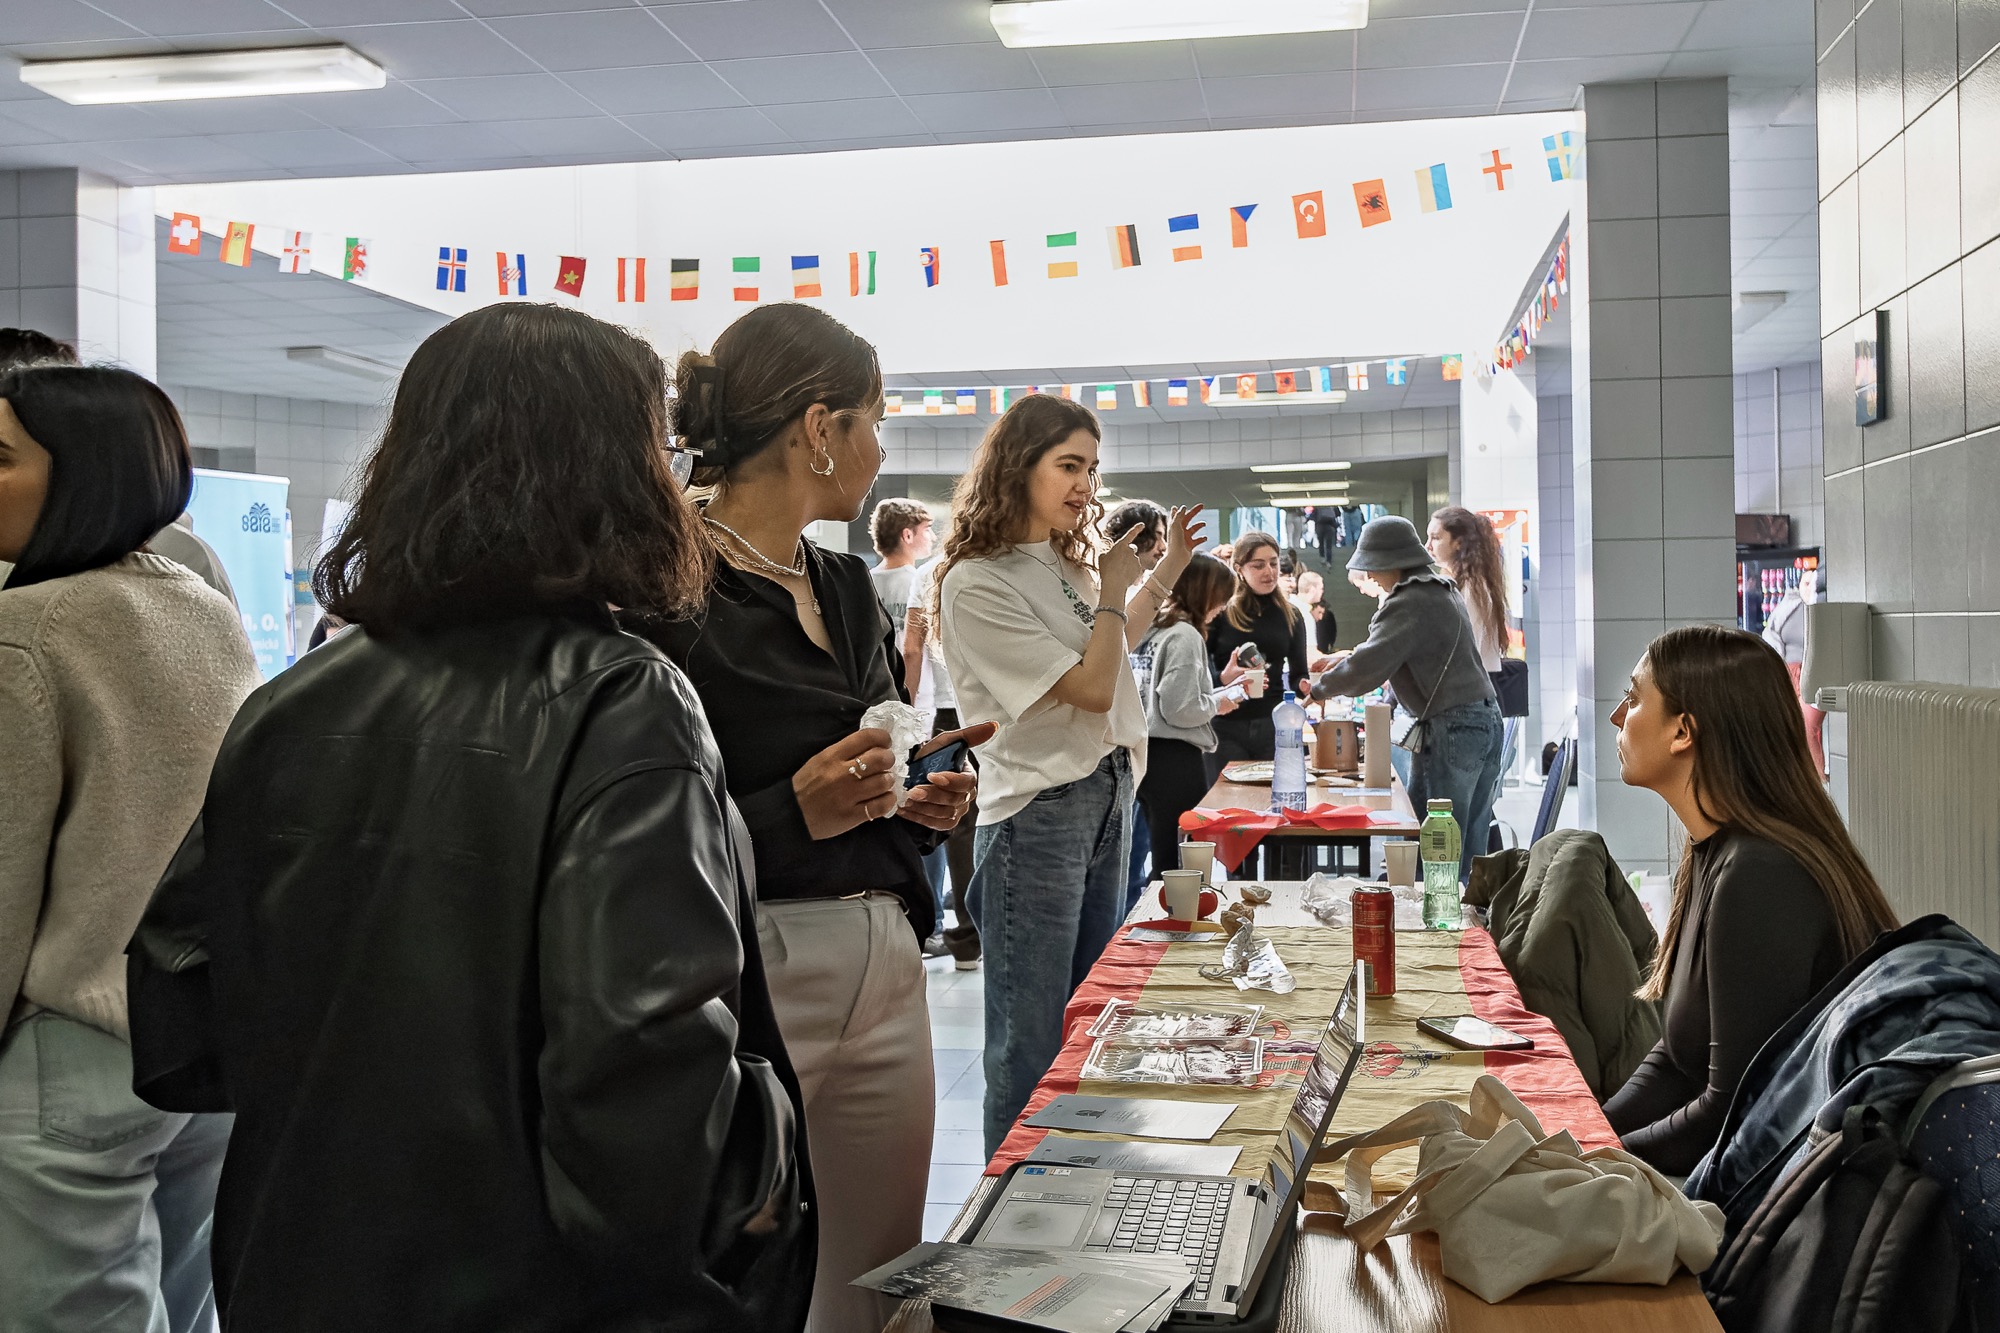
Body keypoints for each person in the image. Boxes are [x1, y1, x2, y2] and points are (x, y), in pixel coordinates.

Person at [124, 304, 813, 1331]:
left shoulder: (293, 701)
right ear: (614, 474)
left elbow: (180, 1010)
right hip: (534, 1281)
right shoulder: (622, 700)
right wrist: (763, 1158)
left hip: (297, 1258)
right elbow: (639, 1078)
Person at [626, 302, 984, 1333]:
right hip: (746, 958)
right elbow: (640, 824)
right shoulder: (666, 583)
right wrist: (792, 812)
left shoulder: (841, 579)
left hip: (882, 946)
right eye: (874, 420)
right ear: (818, 427)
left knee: (879, 1287)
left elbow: (876, 758)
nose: (880, 447)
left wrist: (916, 803)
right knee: (736, 1276)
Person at [0, 364, 258, 1332]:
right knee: (190, 1315)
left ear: (82, 476)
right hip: (197, 1041)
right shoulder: (200, 606)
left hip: (69, 1057)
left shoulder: (23, 631)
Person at [934, 393, 1202, 1155]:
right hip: (1038, 812)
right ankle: (1006, 1224)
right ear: (1020, 467)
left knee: (1090, 1013)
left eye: (1092, 466)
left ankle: (1072, 1190)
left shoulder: (1059, 561)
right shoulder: (977, 580)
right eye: (1068, 465)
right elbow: (1089, 685)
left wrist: (1165, 568)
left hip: (1109, 789)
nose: (1085, 484)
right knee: (1029, 1038)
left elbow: (1113, 648)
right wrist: (1114, 587)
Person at [1601, 625, 1899, 1176]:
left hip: (1796, 1197)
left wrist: (1597, 1160)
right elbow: (1677, 1060)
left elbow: (1734, 1114)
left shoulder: (1761, 874)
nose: (1618, 717)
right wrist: (1583, 1131)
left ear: (1683, 732)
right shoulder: (1717, 851)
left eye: (1635, 697)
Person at [1311, 516, 1503, 880]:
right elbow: (1399, 649)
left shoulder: (1409, 599)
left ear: (1389, 561)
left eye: (1372, 568)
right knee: (1468, 846)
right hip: (1484, 719)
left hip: (1452, 727)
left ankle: (1432, 928)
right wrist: (1348, 656)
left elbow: (1368, 667)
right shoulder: (1441, 587)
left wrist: (1317, 689)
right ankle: (1467, 926)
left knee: (1434, 845)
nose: (1371, 577)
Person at [868, 496, 956, 960]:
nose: (931, 538)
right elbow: (915, 652)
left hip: (880, 715)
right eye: (925, 529)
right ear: (907, 534)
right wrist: (911, 706)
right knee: (931, 808)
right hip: (923, 712)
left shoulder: (864, 583)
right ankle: (937, 921)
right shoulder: (924, 580)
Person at [1135, 554, 1243, 880]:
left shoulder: (1149, 627)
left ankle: (1164, 919)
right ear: (1205, 593)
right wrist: (1218, 703)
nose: (1222, 607)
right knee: (1179, 859)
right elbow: (1179, 708)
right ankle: (1176, 922)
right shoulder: (1185, 635)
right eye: (1221, 598)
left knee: (1162, 851)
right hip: (1175, 758)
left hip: (1144, 754)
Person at [1205, 531, 1313, 779]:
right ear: (1239, 569)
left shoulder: (1292, 615)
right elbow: (1199, 676)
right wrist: (1223, 678)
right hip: (1226, 725)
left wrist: (1305, 686)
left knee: (1270, 803)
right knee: (1227, 804)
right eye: (1259, 565)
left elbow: (1298, 675)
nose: (1269, 572)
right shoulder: (1221, 612)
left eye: (1274, 563)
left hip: (1272, 725)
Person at [1105, 499, 1170, 903]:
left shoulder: (1155, 595)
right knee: (1127, 857)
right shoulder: (1116, 591)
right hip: (1114, 731)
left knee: (1135, 847)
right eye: (1158, 536)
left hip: (1137, 737)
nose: (1162, 546)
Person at [1427, 506, 1509, 676]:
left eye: (1435, 538)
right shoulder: (1464, 583)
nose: (1428, 546)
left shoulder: (1473, 588)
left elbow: (1467, 650)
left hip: (1475, 687)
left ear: (1459, 543)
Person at [1296, 569, 1337, 654]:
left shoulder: (1289, 604)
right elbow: (1311, 656)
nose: (1322, 592)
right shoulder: (1305, 616)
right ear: (1312, 590)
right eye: (1321, 588)